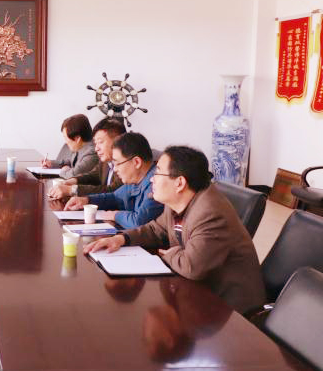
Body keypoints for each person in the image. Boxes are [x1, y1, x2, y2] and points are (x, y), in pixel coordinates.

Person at [84, 146, 266, 314]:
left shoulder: (210, 213)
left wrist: (169, 254)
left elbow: (192, 266)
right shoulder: (176, 202)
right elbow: (156, 229)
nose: (152, 179)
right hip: (197, 291)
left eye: (158, 173)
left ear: (179, 183)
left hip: (229, 309)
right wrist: (121, 239)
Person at [64, 132, 163, 229]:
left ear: (136, 162)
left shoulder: (156, 184)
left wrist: (115, 215)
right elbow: (115, 197)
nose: (115, 169)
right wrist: (87, 200)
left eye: (117, 163)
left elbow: (139, 223)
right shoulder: (136, 179)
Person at [48, 118, 126, 199]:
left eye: (100, 142)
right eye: (95, 143)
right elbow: (94, 175)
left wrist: (71, 190)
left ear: (117, 141)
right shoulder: (106, 160)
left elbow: (112, 191)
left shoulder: (125, 164)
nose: (96, 148)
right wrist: (72, 181)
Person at [41, 114, 99, 179]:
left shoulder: (92, 153)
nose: (66, 142)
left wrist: (64, 170)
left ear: (77, 139)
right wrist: (51, 163)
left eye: (66, 138)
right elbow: (71, 161)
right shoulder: (81, 146)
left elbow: (72, 175)